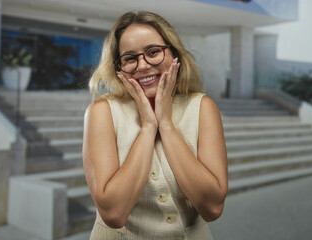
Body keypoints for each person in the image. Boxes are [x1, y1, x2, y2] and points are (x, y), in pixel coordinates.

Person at [83, 11, 228, 239]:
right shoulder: (102, 112)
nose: (142, 65)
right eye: (130, 58)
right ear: (119, 67)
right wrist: (148, 127)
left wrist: (167, 125)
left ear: (174, 54)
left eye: (153, 52)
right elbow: (113, 214)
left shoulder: (202, 108)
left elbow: (212, 208)